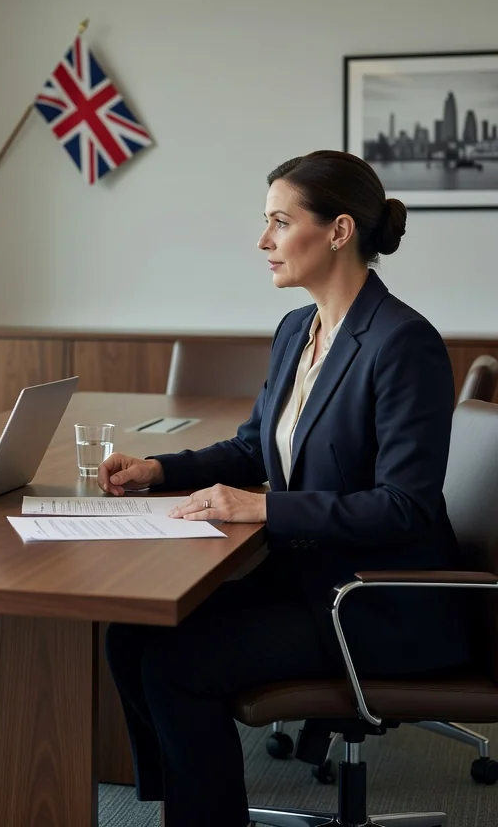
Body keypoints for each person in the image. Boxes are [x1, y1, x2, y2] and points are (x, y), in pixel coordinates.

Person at [99, 150, 470, 827]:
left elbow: (404, 506)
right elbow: (252, 446)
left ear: (338, 231)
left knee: (179, 663)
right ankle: (182, 805)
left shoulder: (402, 342)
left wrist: (264, 505)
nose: (262, 240)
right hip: (307, 577)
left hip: (375, 601)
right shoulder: (298, 330)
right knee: (130, 631)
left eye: (279, 221)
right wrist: (157, 470)